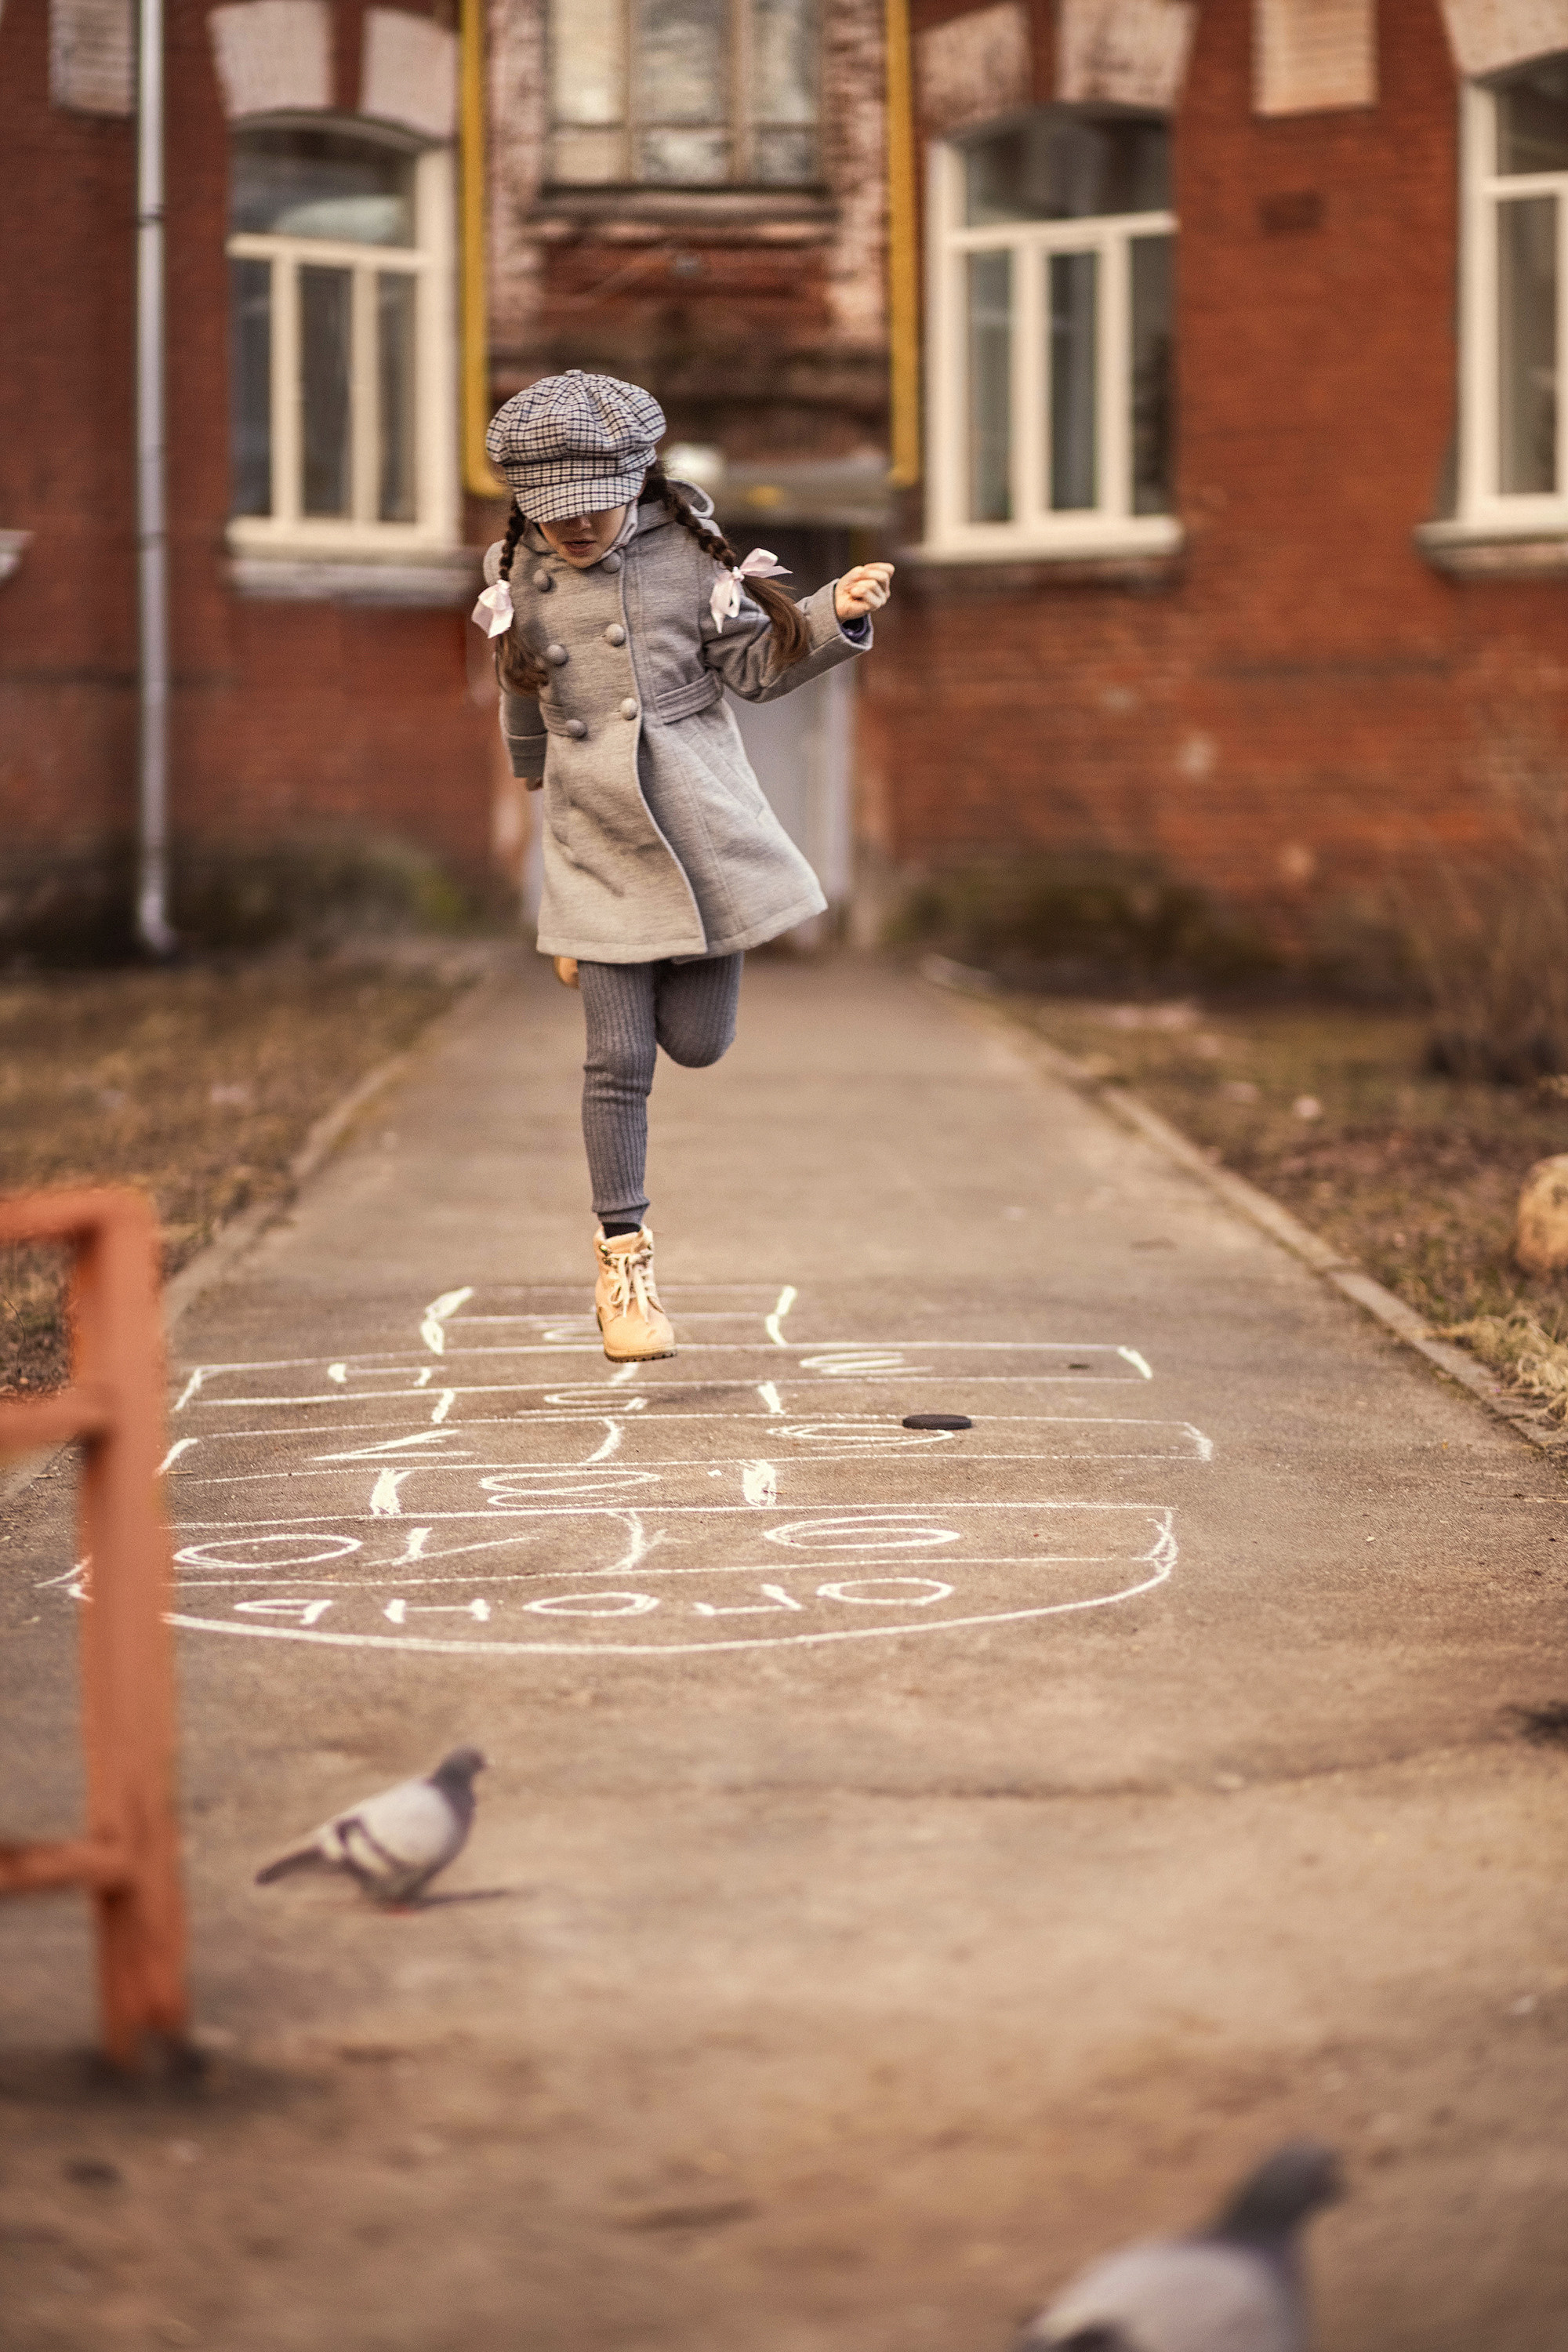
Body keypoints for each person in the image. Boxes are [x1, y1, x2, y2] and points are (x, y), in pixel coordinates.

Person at [471, 369, 892, 1365]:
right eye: (554, 514)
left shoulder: (685, 562)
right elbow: (518, 692)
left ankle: (633, 952)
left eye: (593, 508)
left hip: (697, 834)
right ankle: (623, 1262)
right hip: (594, 842)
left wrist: (833, 609)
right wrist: (537, 796)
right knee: (616, 1063)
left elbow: (753, 670)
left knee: (697, 1044)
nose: (575, 530)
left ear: (636, 479)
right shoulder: (515, 573)